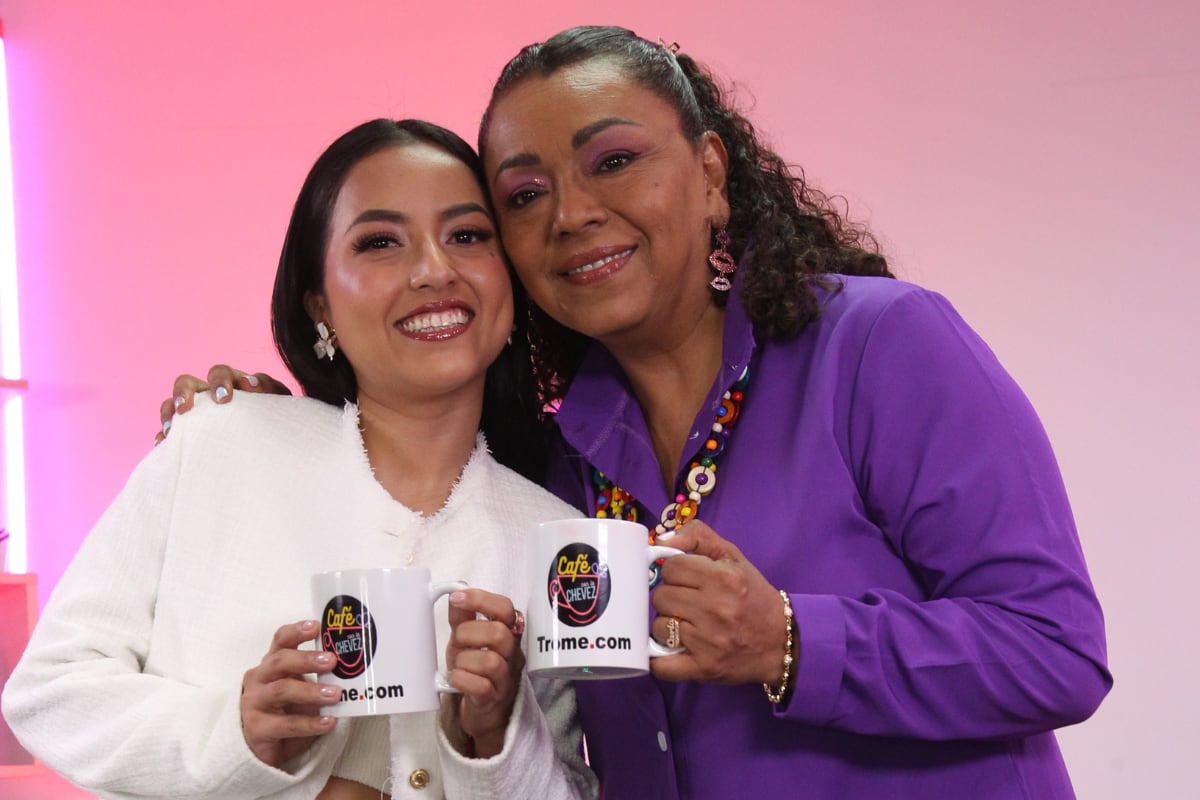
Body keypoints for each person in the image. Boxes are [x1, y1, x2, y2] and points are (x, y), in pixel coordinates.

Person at [158, 25, 1112, 800]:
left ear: (708, 172)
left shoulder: (877, 346)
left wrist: (787, 642)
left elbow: (1058, 651)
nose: (570, 214)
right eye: (524, 194)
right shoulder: (551, 451)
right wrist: (272, 425)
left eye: (612, 160)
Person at [1, 119, 597, 800]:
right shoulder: (219, 442)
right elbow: (50, 691)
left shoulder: (553, 536)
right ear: (320, 305)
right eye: (380, 242)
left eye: (467, 236)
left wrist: (493, 740)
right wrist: (235, 732)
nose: (435, 269)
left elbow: (572, 787)